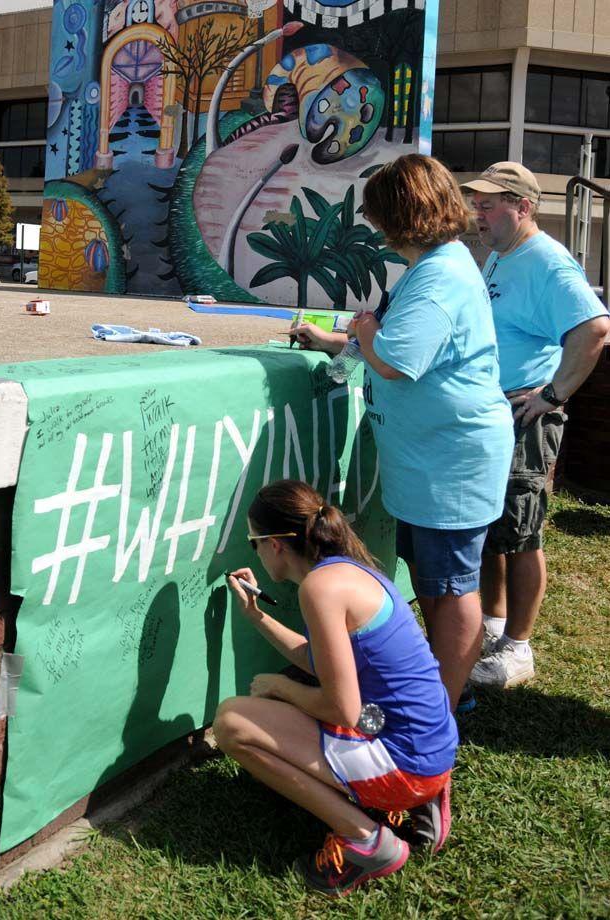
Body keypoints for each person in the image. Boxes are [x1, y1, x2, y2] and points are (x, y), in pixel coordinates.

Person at [289, 154, 514, 712]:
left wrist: (364, 330)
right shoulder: (438, 266)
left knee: (450, 588)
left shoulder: (439, 274)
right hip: (431, 458)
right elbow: (403, 350)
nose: (375, 229)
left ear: (399, 216)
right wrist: (342, 344)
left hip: (450, 462)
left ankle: (439, 709)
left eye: (378, 216)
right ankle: (439, 693)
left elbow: (397, 361)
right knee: (434, 582)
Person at [213, 479, 458, 898]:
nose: (252, 550)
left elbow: (342, 708)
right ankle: (423, 801)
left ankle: (366, 840)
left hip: (405, 763)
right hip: (432, 748)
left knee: (232, 722)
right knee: (281, 697)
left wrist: (280, 688)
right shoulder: (347, 570)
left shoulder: (319, 589)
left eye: (253, 541)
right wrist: (257, 617)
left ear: (275, 545)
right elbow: (320, 659)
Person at [460, 163, 610, 688]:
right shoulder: (503, 255)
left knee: (522, 532)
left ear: (523, 206)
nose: (477, 215)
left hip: (524, 414)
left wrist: (553, 394)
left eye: (488, 205)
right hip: (497, 410)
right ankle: (494, 626)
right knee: (494, 527)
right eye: (476, 205)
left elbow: (594, 328)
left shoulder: (547, 261)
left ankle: (518, 649)